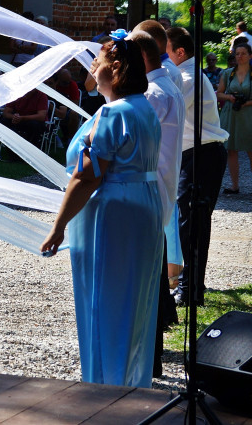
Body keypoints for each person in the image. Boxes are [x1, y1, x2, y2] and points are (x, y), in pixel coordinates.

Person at [40, 36, 163, 387]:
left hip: (114, 212)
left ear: (118, 68)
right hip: (144, 203)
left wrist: (59, 225)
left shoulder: (113, 113)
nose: (93, 66)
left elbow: (87, 176)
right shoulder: (143, 107)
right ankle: (129, 379)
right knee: (132, 299)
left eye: (99, 61)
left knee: (106, 299)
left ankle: (106, 386)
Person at [133, 30, 186, 377]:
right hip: (161, 191)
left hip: (150, 193)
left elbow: (129, 143)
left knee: (144, 288)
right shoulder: (168, 85)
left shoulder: (153, 94)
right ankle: (150, 359)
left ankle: (147, 361)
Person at [166, 27, 229, 307]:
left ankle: (191, 290)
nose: (162, 57)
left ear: (180, 52)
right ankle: (191, 284)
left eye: (166, 51)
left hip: (203, 155)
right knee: (189, 222)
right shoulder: (185, 76)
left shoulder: (189, 78)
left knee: (192, 223)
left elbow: (169, 110)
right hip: (197, 155)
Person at [217, 39, 252, 195]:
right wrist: (230, 98)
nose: (240, 56)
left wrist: (247, 102)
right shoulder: (227, 73)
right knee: (231, 149)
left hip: (249, 114)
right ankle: (234, 185)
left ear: (250, 56)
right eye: (237, 54)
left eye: (244, 53)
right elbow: (218, 93)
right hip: (232, 114)